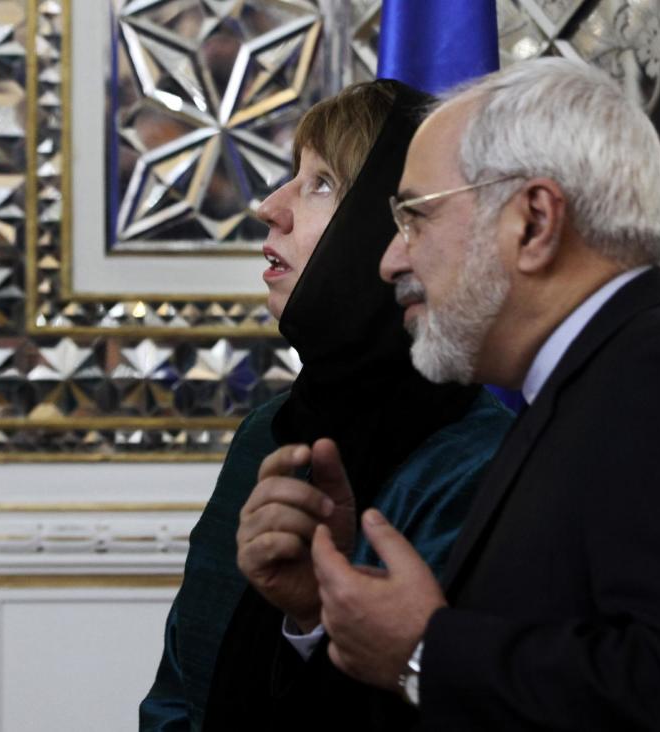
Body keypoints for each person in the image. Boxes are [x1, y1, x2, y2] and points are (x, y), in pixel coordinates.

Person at [307, 58, 660, 730]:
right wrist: (334, 601)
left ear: (534, 222)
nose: (391, 258)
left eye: (414, 216)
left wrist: (425, 653)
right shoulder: (592, 383)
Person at [138, 80, 514, 731]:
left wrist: (312, 620)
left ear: (387, 224)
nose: (268, 207)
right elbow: (179, 691)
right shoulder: (271, 430)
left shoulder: (479, 462)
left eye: (320, 184)